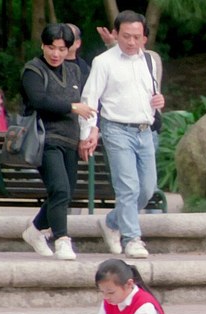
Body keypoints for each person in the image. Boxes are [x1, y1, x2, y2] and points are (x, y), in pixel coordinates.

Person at [79, 10, 165, 259]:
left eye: (137, 37)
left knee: (146, 189)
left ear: (144, 38)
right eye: (126, 36)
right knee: (128, 187)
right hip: (116, 128)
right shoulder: (104, 62)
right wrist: (88, 131)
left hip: (144, 130)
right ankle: (132, 239)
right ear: (116, 34)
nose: (131, 42)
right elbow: (90, 98)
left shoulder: (148, 60)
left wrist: (158, 101)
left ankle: (111, 222)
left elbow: (151, 93)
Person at [19, 23, 96, 261]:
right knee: (59, 189)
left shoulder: (74, 71)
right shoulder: (33, 69)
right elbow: (39, 101)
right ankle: (62, 240)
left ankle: (34, 231)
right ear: (43, 46)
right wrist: (72, 107)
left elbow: (89, 103)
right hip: (45, 139)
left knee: (65, 192)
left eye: (62, 49)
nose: (56, 54)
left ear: (69, 49)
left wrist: (89, 132)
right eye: (51, 47)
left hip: (70, 140)